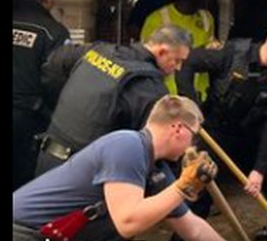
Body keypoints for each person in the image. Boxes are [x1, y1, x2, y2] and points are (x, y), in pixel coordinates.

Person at [13, 95, 243, 241]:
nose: (192, 145)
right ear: (178, 129)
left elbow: (192, 228)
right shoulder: (127, 146)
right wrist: (182, 187)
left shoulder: (156, 171)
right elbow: (127, 222)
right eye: (193, 135)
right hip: (23, 240)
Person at [164, 23, 267, 241]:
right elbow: (190, 62)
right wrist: (191, 107)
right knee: (197, 195)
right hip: (217, 131)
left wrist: (259, 170)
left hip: (253, 135)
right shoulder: (231, 55)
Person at [35, 25, 192, 177]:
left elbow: (54, 63)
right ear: (162, 51)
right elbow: (157, 149)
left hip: (47, 161)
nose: (178, 68)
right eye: (177, 60)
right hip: (83, 177)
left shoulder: (99, 51)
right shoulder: (149, 88)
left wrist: (59, 105)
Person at [14, 0, 72, 190]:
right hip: (30, 115)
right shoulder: (54, 32)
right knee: (26, 171)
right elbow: (56, 76)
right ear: (49, 0)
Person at [141, 0, 218, 101]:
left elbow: (210, 48)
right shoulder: (157, 19)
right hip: (166, 96)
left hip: (199, 95)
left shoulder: (206, 18)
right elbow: (145, 61)